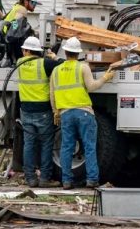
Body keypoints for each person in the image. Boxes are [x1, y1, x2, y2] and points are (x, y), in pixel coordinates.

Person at [50, 37, 115, 189]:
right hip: (84, 113)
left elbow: (52, 94)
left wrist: (55, 112)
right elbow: (92, 87)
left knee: (66, 147)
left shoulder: (56, 70)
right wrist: (105, 77)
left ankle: (66, 181)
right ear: (78, 53)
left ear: (65, 52)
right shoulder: (83, 67)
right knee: (90, 146)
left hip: (65, 113)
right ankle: (92, 180)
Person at [17, 36, 64, 188]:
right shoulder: (45, 63)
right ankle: (44, 179)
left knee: (29, 144)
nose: (23, 52)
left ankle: (30, 178)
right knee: (46, 145)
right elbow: (62, 65)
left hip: (26, 110)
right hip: (43, 110)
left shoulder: (19, 63)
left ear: (27, 50)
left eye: (24, 49)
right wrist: (54, 57)